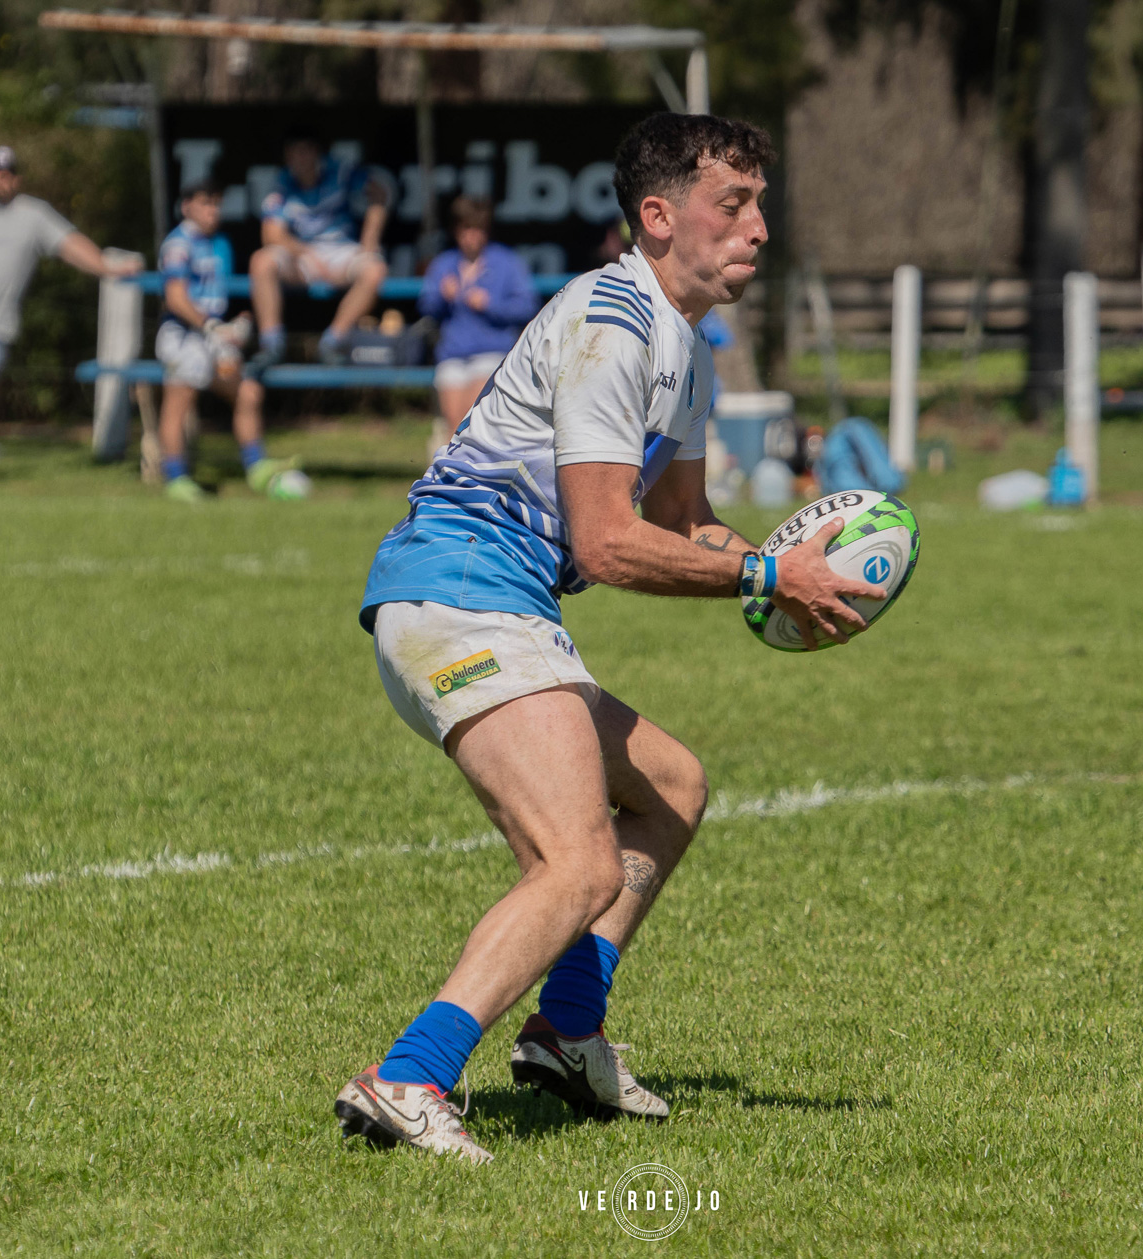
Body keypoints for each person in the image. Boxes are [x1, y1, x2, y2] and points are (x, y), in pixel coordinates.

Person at [336, 113, 882, 1165]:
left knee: (671, 785)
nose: (759, 229)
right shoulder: (613, 323)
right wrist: (768, 575)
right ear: (660, 216)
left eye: (760, 205)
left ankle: (564, 1030)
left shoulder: (689, 352)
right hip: (461, 592)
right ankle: (408, 1074)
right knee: (579, 864)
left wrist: (793, 570)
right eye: (734, 205)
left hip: (497, 600)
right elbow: (607, 541)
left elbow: (683, 523)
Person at [0, 145, 140, 481]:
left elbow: (71, 245)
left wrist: (106, 268)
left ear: (17, 179)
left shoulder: (34, 215)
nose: (3, 181)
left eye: (9, 175)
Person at [153, 181, 303, 503]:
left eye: (216, 203)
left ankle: (256, 467)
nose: (212, 210)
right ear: (186, 206)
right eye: (205, 203)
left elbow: (217, 296)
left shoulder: (220, 244)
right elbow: (175, 298)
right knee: (179, 401)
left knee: (248, 392)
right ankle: (175, 478)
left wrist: (238, 323)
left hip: (214, 337)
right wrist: (209, 325)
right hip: (184, 336)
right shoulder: (178, 244)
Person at [248, 127, 389, 371]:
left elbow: (379, 195)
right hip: (302, 254)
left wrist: (369, 242)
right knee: (261, 261)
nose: (300, 159)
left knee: (375, 269)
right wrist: (307, 254)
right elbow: (271, 235)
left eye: (305, 151)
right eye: (294, 153)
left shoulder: (341, 172)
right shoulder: (281, 184)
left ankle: (332, 343)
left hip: (342, 251)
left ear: (317, 153)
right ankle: (271, 344)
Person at [417, 196, 540, 452]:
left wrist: (489, 304)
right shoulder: (444, 264)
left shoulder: (506, 262)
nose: (471, 237)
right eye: (465, 229)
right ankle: (451, 470)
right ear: (456, 230)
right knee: (453, 424)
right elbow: (426, 307)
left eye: (477, 229)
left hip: (492, 352)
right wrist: (442, 296)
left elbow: (528, 307)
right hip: (453, 355)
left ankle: (470, 468)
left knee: (469, 420)